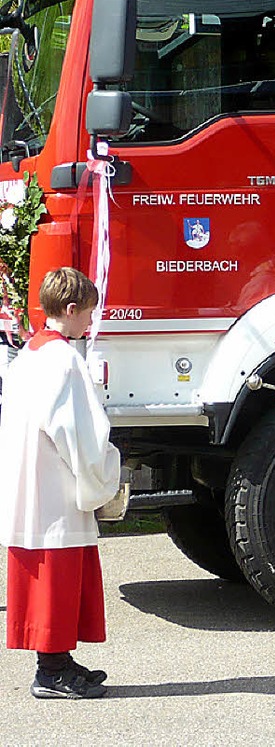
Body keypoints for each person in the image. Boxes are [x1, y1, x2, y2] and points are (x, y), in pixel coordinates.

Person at [0, 267, 120, 700]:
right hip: (55, 485)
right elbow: (79, 432)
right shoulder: (64, 359)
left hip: (27, 481)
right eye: (88, 314)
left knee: (46, 578)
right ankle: (50, 670)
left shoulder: (28, 354)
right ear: (70, 310)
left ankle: (58, 661)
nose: (90, 322)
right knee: (58, 577)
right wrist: (102, 474)